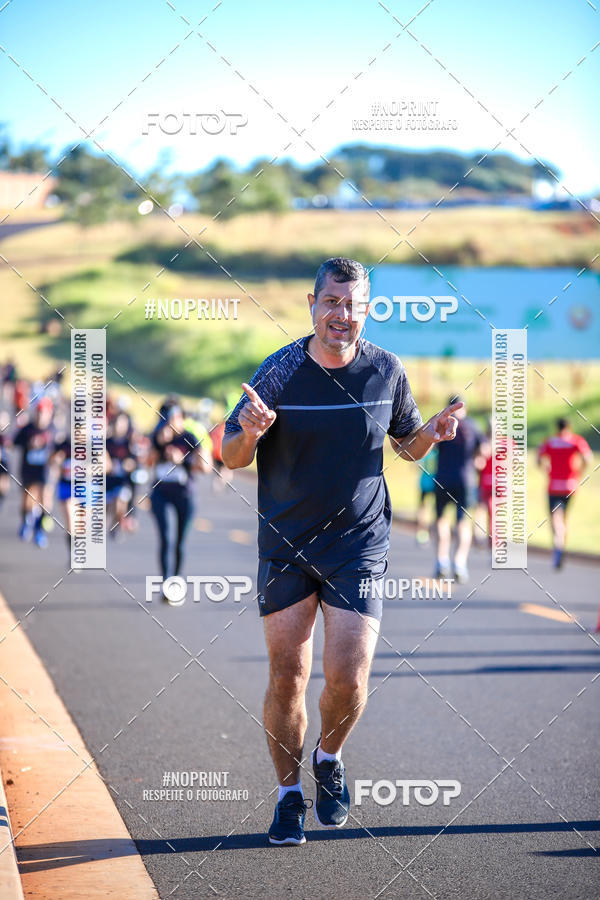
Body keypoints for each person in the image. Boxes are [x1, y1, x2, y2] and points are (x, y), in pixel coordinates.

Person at [222, 257, 463, 846]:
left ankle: (328, 758)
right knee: (288, 676)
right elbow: (230, 455)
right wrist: (249, 432)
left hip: (358, 545)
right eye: (332, 301)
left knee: (349, 679)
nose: (342, 314)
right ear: (313, 303)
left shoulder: (386, 368)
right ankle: (286, 797)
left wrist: (429, 433)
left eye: (353, 303)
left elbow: (404, 444)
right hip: (286, 544)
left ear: (368, 307)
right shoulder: (279, 369)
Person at [149, 403, 210, 595]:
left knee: (180, 541)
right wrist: (160, 446)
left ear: (181, 419)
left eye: (174, 419)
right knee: (165, 538)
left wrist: (182, 460)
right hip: (161, 492)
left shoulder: (190, 438)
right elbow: (146, 462)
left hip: (184, 494)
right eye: (166, 420)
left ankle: (176, 580)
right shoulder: (157, 436)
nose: (170, 424)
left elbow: (205, 467)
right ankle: (166, 583)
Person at [433, 395, 483, 583]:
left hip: (443, 478)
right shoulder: (473, 425)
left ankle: (441, 561)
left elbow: (431, 446)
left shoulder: (441, 423)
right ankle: (459, 563)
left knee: (441, 520)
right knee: (463, 522)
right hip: (466, 479)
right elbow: (483, 454)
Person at [537, 417, 592, 568]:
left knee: (556, 518)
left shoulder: (551, 441)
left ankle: (558, 547)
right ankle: (561, 546)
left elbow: (539, 458)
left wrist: (546, 470)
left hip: (554, 486)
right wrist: (579, 471)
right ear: (569, 427)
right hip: (570, 485)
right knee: (563, 518)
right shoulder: (575, 441)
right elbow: (588, 457)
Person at [13, 397, 55, 548]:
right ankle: (26, 521)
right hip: (28, 470)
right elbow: (14, 443)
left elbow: (58, 448)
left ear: (49, 414)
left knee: (45, 498)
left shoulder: (52, 430)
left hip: (44, 471)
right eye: (39, 412)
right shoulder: (27, 428)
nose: (41, 416)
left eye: (44, 413)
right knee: (28, 500)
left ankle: (39, 530)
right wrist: (28, 443)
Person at [415, 446, 437, 545]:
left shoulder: (425, 453)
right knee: (433, 509)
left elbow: (416, 465)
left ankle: (422, 532)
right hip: (434, 484)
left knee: (422, 508)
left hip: (424, 483)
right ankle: (432, 531)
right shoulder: (437, 454)